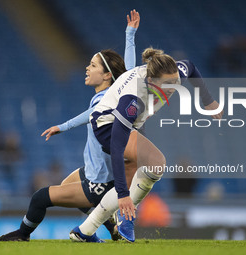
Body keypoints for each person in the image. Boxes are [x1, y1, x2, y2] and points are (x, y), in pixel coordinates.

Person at [0, 10, 140, 242]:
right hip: (99, 172)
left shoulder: (108, 99)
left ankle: (23, 235)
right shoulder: (107, 98)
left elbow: (129, 73)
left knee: (40, 197)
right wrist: (62, 127)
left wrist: (130, 35)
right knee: (66, 184)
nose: (87, 68)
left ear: (106, 75)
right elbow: (97, 106)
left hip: (100, 182)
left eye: (92, 65)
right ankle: (110, 228)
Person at [69, 47, 223, 243]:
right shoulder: (133, 98)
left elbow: (190, 67)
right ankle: (126, 217)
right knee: (156, 162)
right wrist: (124, 196)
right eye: (168, 84)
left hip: (130, 125)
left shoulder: (171, 75)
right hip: (107, 126)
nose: (173, 87)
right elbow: (116, 146)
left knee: (139, 176)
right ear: (151, 81)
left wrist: (208, 101)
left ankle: (84, 231)